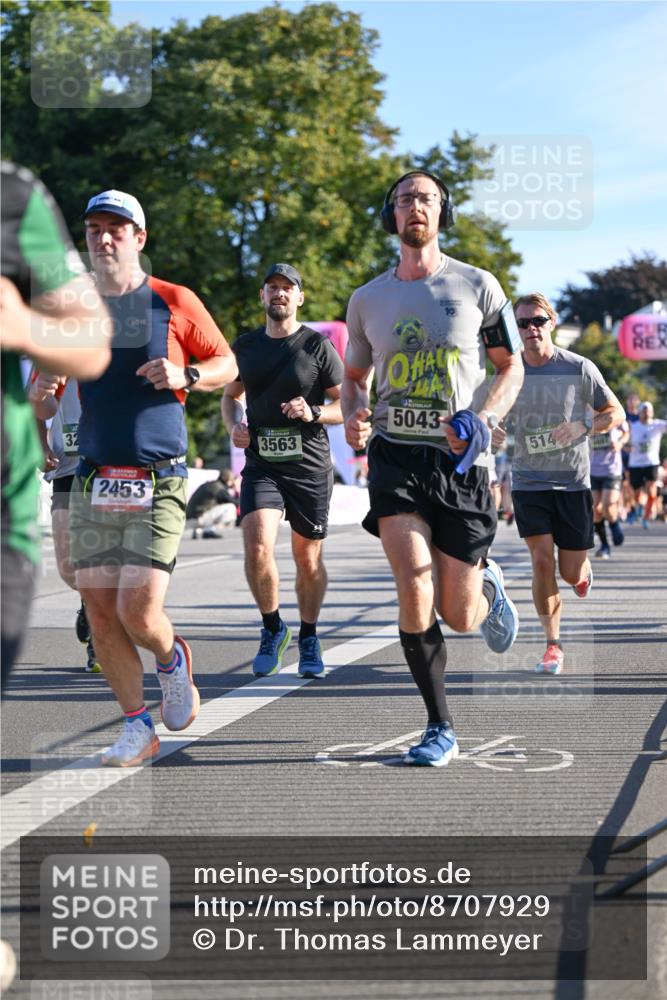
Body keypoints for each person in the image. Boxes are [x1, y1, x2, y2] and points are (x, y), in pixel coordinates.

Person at [342, 170, 524, 768]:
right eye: (404, 199)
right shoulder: (367, 299)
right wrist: (355, 414)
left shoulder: (479, 285)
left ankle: (487, 583)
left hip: (461, 463)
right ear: (391, 215)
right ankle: (439, 725)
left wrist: (485, 417)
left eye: (426, 198)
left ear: (442, 212)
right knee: (413, 583)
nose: (415, 206)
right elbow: (353, 379)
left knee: (461, 616)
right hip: (396, 455)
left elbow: (511, 366)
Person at [69, 189, 236, 766]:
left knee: (137, 611)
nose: (103, 238)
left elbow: (227, 364)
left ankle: (170, 658)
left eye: (115, 228)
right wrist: (44, 392)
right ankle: (137, 727)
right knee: (99, 614)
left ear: (139, 238)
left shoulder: (173, 299)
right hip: (94, 477)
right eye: (94, 229)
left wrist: (186, 373)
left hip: (157, 478)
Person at [1, 161, 111, 687]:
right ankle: (92, 605)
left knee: (107, 563)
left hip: (107, 459)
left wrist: (26, 325)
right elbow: (39, 403)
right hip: (66, 460)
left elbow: (90, 343)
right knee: (71, 566)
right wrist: (44, 429)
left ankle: (104, 621)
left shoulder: (14, 196)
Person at [222, 263, 344, 678]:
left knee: (307, 558)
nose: (279, 293)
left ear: (299, 298)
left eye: (287, 288)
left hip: (309, 467)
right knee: (257, 547)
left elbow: (346, 404)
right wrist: (234, 425)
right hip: (262, 465)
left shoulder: (317, 346)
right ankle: (273, 628)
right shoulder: (245, 347)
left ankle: (308, 635)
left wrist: (313, 411)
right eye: (272, 287)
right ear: (262, 296)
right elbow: (230, 396)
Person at [506, 293, 624, 676]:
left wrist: (583, 426)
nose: (531, 328)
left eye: (538, 320)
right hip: (528, 481)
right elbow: (492, 416)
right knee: (542, 561)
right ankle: (552, 644)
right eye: (523, 323)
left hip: (572, 483)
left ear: (551, 322)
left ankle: (582, 573)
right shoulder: (509, 371)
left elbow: (615, 412)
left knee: (570, 572)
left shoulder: (578, 367)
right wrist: (492, 430)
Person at [28, 373, 102, 671]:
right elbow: (32, 405)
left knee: (105, 557)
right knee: (69, 565)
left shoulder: (120, 350)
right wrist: (40, 446)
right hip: (67, 468)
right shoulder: (52, 355)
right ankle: (88, 600)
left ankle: (100, 635)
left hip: (110, 465)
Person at [589, 419, 629, 558]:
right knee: (595, 510)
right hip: (592, 470)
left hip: (612, 469)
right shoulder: (584, 414)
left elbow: (626, 432)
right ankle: (605, 545)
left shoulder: (613, 412)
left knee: (608, 505)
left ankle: (614, 524)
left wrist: (620, 443)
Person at [627, 401, 667, 528]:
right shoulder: (633, 426)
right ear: (639, 413)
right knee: (637, 493)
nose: (646, 413)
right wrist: (626, 446)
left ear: (652, 412)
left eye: (648, 410)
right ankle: (638, 507)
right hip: (635, 464)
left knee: (652, 492)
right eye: (644, 410)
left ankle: (645, 517)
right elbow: (624, 440)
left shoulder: (658, 425)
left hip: (652, 463)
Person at [186, 467, 239, 538]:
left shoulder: (210, 484)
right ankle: (208, 530)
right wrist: (237, 490)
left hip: (189, 518)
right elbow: (236, 503)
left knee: (211, 505)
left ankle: (198, 531)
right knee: (231, 507)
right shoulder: (219, 488)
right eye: (232, 480)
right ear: (228, 480)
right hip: (198, 520)